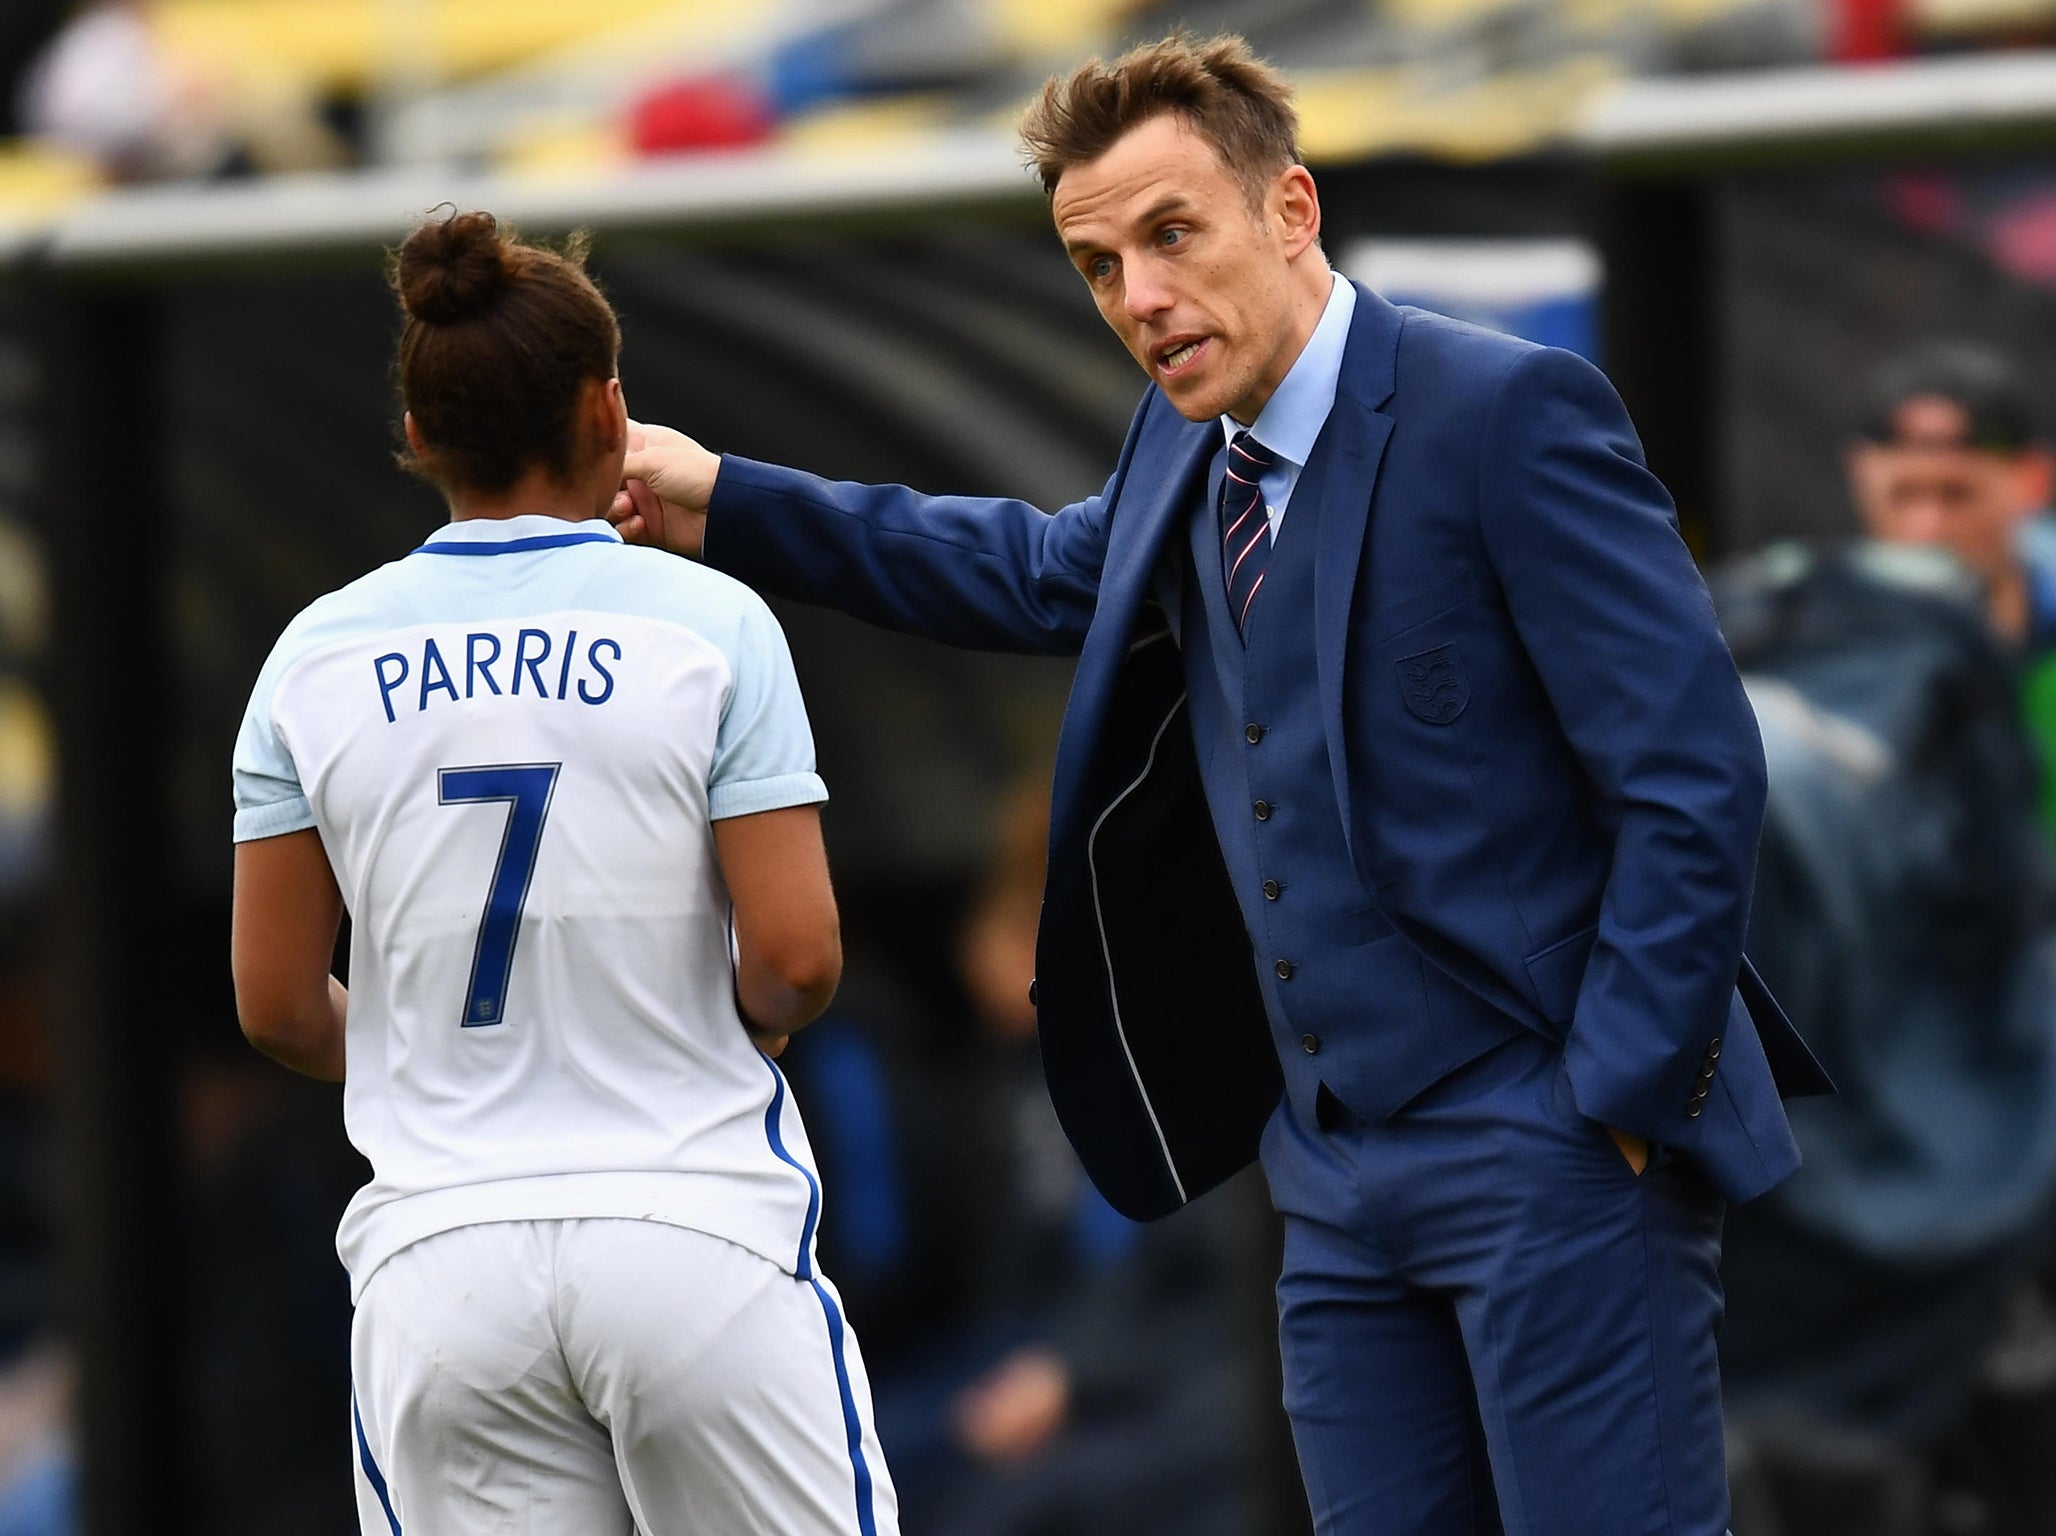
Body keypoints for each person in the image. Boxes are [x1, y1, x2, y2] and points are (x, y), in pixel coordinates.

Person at [610, 30, 1830, 1536]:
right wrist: (727, 498)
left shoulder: (1507, 411)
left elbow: (1694, 770)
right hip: (1328, 1180)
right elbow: (1033, 567)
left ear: (1293, 211)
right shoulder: (1188, 450)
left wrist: (1616, 1103)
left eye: (1170, 236)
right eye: (1100, 264)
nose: (1139, 296)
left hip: (1559, 1151)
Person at [228, 210, 897, 1536]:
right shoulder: (710, 626)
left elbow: (279, 1005)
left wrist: (450, 1056)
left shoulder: (309, 657)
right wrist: (733, 1014)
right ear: (610, 411)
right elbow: (800, 955)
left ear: (419, 437)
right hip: (691, 1233)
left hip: (441, 1269)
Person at [1844, 341, 2056, 836]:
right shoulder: (1803, 644)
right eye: (1905, 494)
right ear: (1860, 474)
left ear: (2032, 480)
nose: (1927, 528)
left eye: (1957, 494)